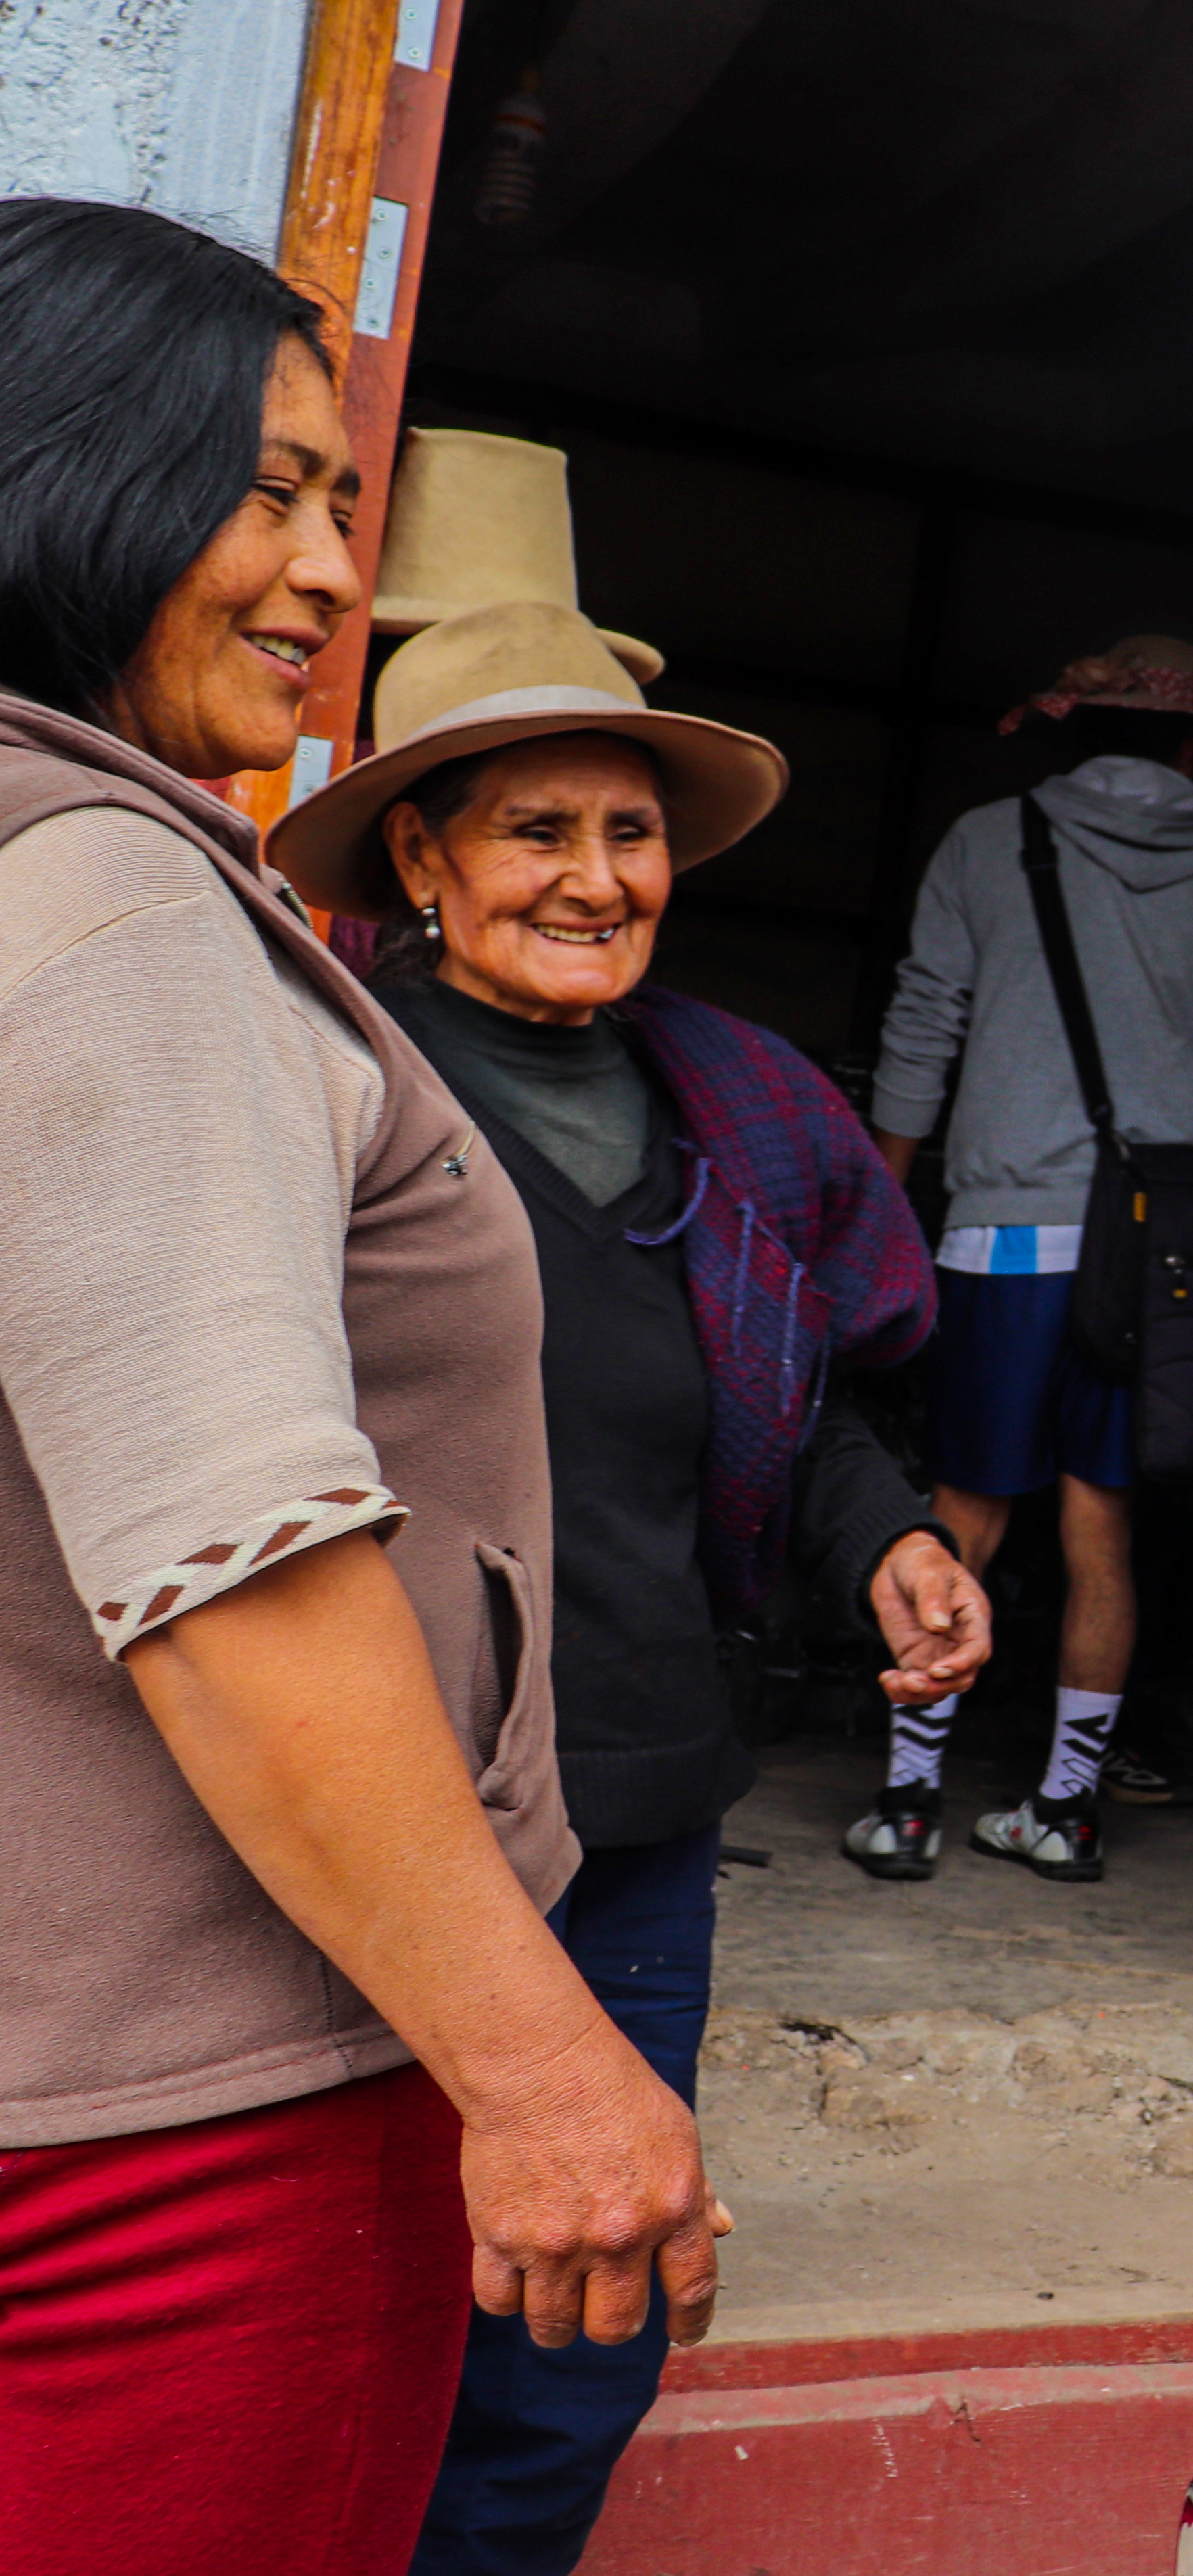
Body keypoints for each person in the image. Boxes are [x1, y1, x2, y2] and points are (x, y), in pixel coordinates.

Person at [0, 197, 715, 2566]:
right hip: (186, 2120)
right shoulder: (116, 908)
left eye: (347, 509)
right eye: (274, 488)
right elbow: (234, 1563)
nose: (323, 567)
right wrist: (540, 2068)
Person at [263, 601, 996, 2574]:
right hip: (367, 1807)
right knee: (334, 2307)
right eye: (537, 833)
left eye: (630, 833)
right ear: (421, 858)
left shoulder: (731, 1102)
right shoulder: (318, 1085)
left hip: (640, 1809)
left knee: (579, 2332)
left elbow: (793, 1392)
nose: (597, 881)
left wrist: (889, 1537)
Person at [859, 636, 1193, 1884]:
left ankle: (907, 1800)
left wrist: (879, 1193)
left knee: (966, 1519)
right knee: (1104, 1532)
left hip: (1002, 1241)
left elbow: (923, 1024)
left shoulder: (989, 845)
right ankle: (1065, 1809)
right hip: (1163, 1267)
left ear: (1076, 731)